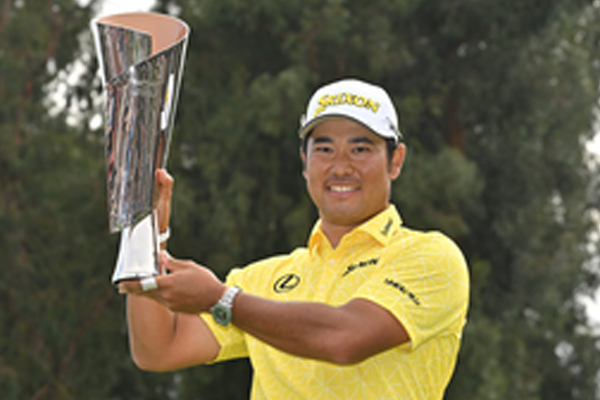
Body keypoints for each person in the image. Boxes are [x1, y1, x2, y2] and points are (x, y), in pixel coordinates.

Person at [119, 78, 470, 400]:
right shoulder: (262, 279)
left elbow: (346, 338)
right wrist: (145, 233)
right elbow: (160, 350)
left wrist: (222, 300)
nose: (341, 167)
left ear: (395, 161)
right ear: (304, 162)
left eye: (360, 149)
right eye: (324, 149)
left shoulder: (431, 256)